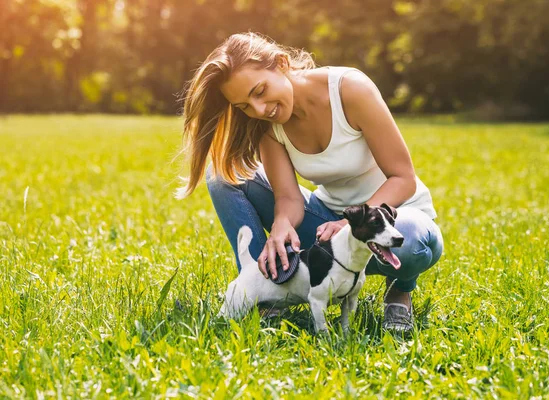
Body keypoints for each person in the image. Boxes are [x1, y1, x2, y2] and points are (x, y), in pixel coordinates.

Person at [176, 32, 443, 334]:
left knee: (409, 239)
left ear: (281, 63)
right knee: (223, 174)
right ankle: (263, 291)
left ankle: (400, 291)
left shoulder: (349, 90)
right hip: (328, 227)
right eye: (245, 106)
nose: (260, 110)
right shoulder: (269, 127)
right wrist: (281, 225)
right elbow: (289, 199)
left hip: (399, 217)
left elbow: (403, 179)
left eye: (260, 91)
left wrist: (348, 225)